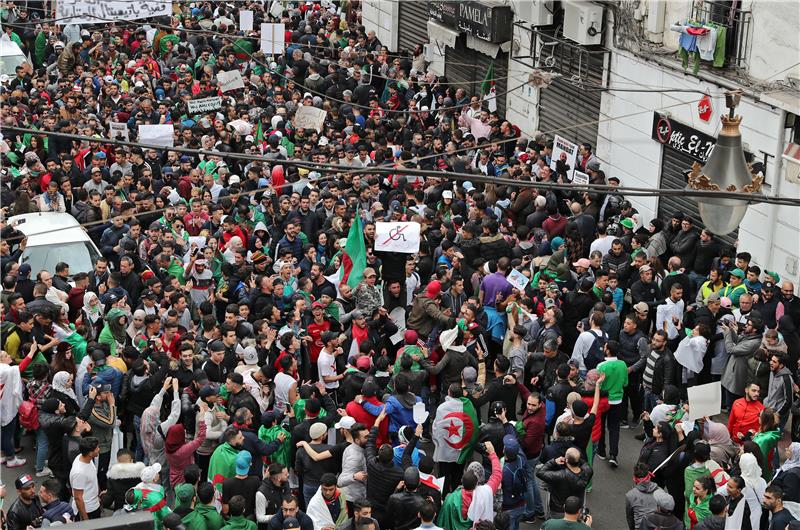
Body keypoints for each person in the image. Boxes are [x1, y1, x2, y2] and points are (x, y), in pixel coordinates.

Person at [536, 448, 593, 519]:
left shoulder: (560, 475)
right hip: (576, 508)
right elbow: (583, 462)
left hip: (558, 510)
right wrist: (573, 458)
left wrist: (553, 462)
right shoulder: (588, 470)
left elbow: (540, 473)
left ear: (566, 460)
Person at [70, 436, 102, 520]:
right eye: (97, 448)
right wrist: (85, 518)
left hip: (94, 505)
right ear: (90, 453)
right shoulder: (79, 472)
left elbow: (93, 478)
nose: (99, 449)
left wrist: (98, 494)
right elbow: (78, 498)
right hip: (88, 510)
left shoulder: (87, 458)